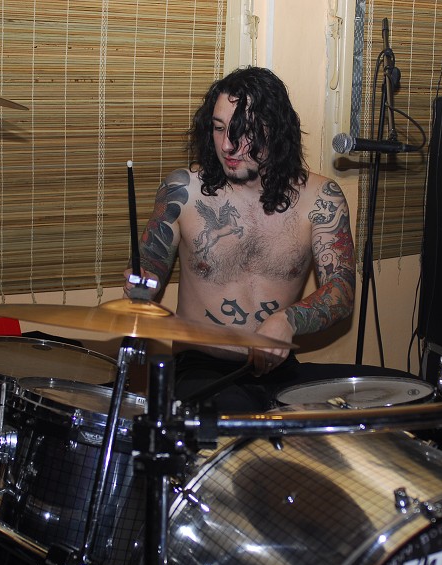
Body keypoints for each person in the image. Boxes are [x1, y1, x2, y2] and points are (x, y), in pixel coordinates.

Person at [124, 67, 355, 413]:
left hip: (278, 367)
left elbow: (342, 290)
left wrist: (288, 320)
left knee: (378, 400)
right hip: (201, 367)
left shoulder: (320, 198)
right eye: (219, 129)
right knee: (239, 424)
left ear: (276, 131)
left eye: (244, 131)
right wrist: (140, 284)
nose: (227, 146)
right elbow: (147, 272)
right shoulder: (183, 192)